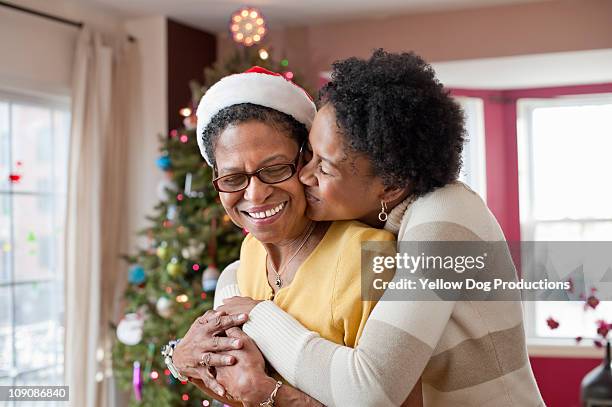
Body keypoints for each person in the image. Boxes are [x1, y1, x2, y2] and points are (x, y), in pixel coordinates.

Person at [177, 50, 545, 406]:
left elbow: (369, 391)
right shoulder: (371, 211)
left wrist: (256, 314)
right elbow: (246, 268)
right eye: (309, 155)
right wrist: (188, 345)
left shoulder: (446, 218)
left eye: (323, 166)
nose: (305, 175)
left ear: (389, 186)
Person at [168, 66, 396, 406]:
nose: (256, 195)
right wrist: (179, 358)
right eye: (233, 179)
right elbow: (240, 388)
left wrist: (271, 396)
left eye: (274, 169)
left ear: (305, 159)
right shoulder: (250, 253)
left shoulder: (368, 255)